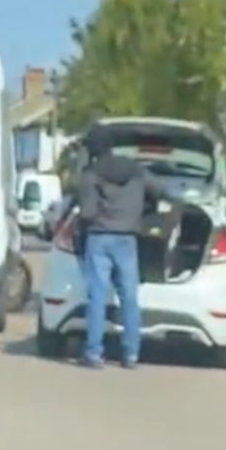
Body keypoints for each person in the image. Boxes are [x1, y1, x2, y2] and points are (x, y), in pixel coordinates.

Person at [78, 123, 172, 370]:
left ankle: (94, 353)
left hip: (99, 238)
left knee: (97, 295)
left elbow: (86, 212)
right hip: (127, 239)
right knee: (129, 297)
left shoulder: (90, 173)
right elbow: (162, 191)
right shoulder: (136, 170)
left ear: (92, 149)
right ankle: (131, 354)